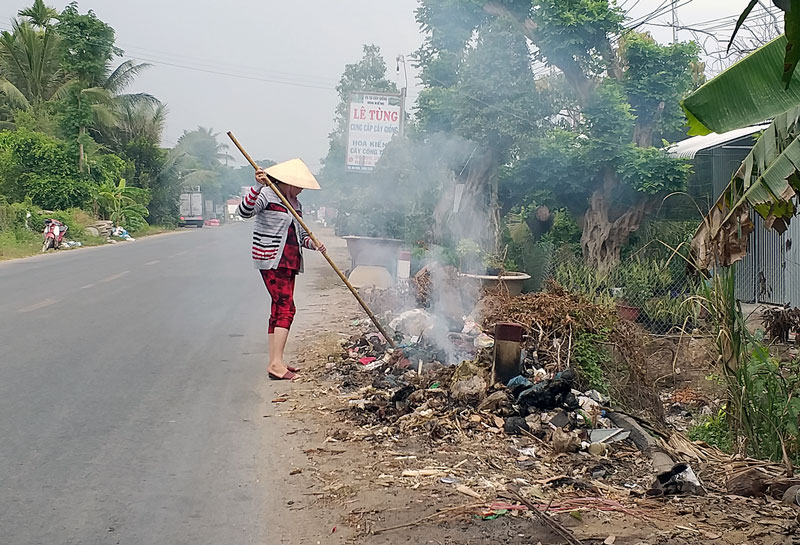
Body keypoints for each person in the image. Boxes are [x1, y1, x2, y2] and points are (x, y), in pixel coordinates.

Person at [237, 159, 326, 381]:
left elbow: (301, 236)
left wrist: (314, 244)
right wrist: (257, 186)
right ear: (289, 182)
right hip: (270, 260)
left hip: (290, 261)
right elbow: (244, 211)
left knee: (278, 308)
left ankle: (276, 361)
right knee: (287, 308)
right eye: (300, 185)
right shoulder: (267, 195)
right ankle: (276, 364)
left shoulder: (296, 204)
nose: (302, 190)